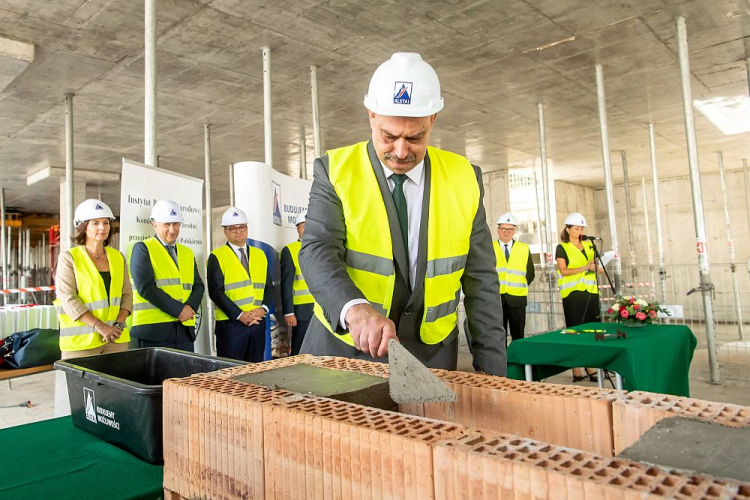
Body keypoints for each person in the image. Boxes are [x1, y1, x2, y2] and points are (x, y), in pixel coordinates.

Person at [299, 52, 506, 375]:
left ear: (433, 120)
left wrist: (494, 375)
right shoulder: (335, 170)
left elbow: (482, 282)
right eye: (388, 136)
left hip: (431, 358)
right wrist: (355, 310)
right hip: (341, 355)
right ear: (371, 115)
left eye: (414, 137)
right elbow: (317, 250)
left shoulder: (465, 177)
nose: (400, 151)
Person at [54, 199, 132, 359]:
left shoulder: (118, 257)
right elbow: (68, 299)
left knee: (116, 383)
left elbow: (127, 295)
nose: (102, 227)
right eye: (95, 223)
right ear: (83, 227)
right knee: (83, 385)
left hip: (116, 339)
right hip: (82, 342)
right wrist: (100, 326)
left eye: (106, 222)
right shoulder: (69, 258)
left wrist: (118, 324)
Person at [129, 200, 204, 351]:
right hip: (154, 332)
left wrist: (189, 308)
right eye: (167, 224)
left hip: (185, 331)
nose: (172, 229)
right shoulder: (143, 248)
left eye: (176, 224)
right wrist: (179, 310)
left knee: (186, 375)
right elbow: (146, 288)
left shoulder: (187, 252)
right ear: (154, 224)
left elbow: (198, 286)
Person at [207, 207, 273, 362]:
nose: (238, 231)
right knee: (231, 373)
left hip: (257, 324)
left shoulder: (259, 254)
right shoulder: (217, 256)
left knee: (255, 372)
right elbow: (216, 292)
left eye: (242, 227)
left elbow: (268, 287)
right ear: (225, 232)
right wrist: (239, 315)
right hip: (231, 327)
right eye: (233, 228)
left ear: (247, 228)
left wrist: (263, 309)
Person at [555, 212, 603, 382]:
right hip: (573, 294)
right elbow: (564, 270)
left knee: (592, 330)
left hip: (590, 292)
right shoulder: (562, 247)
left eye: (582, 227)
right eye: (576, 228)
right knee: (575, 331)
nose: (580, 230)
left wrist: (596, 267)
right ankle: (576, 369)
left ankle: (591, 367)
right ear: (567, 229)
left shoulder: (590, 245)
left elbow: (600, 268)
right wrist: (585, 267)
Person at [494, 213, 535, 341]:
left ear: (514, 231)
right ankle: (501, 361)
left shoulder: (524, 248)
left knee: (518, 335)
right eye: (504, 229)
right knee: (498, 335)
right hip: (496, 298)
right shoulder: (490, 248)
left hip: (517, 299)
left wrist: (518, 286)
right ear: (498, 230)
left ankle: (517, 361)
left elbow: (530, 273)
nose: (507, 232)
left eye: (510, 229)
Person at [280, 212, 313, 355]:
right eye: (303, 226)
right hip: (302, 311)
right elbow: (286, 284)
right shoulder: (290, 250)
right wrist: (289, 312)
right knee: (300, 348)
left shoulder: (323, 248)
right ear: (297, 229)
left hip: (323, 309)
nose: (307, 229)